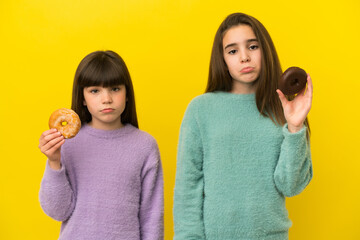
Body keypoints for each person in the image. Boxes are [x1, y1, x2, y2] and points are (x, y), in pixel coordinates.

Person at [173, 13, 313, 240]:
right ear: (223, 59)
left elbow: (291, 186)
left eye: (253, 46)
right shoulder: (201, 109)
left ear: (265, 50)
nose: (244, 57)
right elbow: (188, 189)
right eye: (232, 50)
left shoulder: (284, 108)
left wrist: (295, 127)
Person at [39, 50, 164, 240]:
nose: (106, 99)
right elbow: (57, 211)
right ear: (82, 97)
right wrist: (54, 162)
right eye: (94, 91)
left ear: (127, 93)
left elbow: (152, 216)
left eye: (115, 89)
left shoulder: (145, 146)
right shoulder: (68, 144)